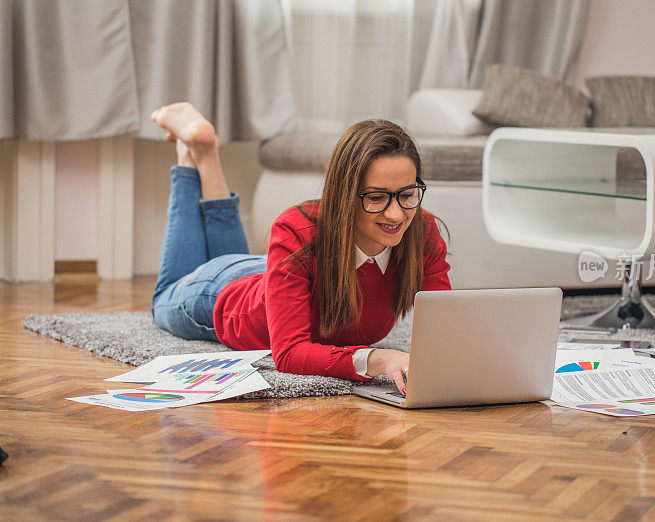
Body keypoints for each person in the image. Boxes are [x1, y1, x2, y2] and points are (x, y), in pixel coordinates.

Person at [149, 103, 451, 394]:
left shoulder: (422, 232)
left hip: (275, 273)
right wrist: (378, 359)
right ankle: (188, 159)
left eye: (408, 194)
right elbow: (290, 353)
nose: (396, 214)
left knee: (235, 259)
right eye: (376, 198)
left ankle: (204, 152)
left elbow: (446, 329)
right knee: (164, 296)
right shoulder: (297, 229)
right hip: (220, 294)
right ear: (344, 194)